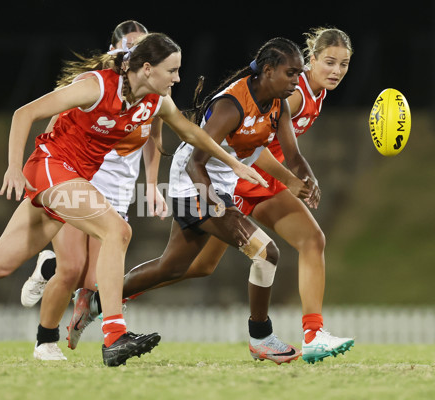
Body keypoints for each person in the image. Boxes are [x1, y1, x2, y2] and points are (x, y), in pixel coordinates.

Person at [0, 32, 269, 367]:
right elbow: (24, 113)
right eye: (172, 71)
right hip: (51, 168)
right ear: (147, 68)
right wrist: (14, 168)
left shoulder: (154, 101)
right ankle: (114, 334)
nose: (178, 79)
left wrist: (232, 162)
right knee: (117, 230)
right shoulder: (95, 86)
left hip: (68, 179)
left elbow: (192, 133)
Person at [69, 29, 356, 365]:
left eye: (344, 64)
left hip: (225, 182)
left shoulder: (279, 102)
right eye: (292, 72)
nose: (298, 78)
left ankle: (96, 301)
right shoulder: (232, 105)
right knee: (266, 253)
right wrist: (215, 203)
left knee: (177, 266)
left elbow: (291, 154)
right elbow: (195, 162)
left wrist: (305, 178)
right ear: (268, 71)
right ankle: (262, 338)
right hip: (193, 183)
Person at [20, 20, 169, 361]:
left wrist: (151, 185)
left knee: (92, 278)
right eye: (130, 48)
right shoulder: (97, 86)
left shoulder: (157, 89)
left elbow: (155, 138)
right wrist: (44, 170)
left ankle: (49, 266)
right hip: (81, 177)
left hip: (117, 190)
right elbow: (55, 125)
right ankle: (46, 340)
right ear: (117, 52)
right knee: (72, 268)